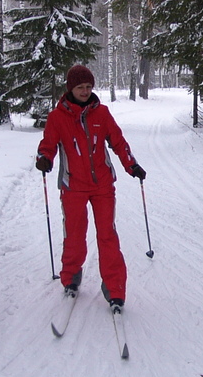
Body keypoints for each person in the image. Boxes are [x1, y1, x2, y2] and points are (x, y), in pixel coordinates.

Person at [36, 65, 146, 313]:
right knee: (74, 235)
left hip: (102, 185)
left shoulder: (102, 114)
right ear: (70, 89)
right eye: (80, 87)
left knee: (107, 235)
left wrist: (132, 165)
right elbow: (48, 144)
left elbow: (118, 141)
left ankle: (115, 290)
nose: (85, 91)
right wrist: (44, 157)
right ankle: (71, 278)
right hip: (72, 186)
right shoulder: (57, 118)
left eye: (88, 87)